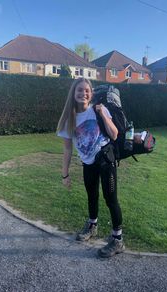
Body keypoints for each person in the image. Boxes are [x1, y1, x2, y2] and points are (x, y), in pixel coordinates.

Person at [57, 78, 125, 258]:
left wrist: (102, 113)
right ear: (73, 93)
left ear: (91, 93)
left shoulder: (98, 110)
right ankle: (92, 226)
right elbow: (67, 149)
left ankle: (118, 240)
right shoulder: (68, 118)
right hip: (88, 164)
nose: (83, 93)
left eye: (86, 90)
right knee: (92, 196)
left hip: (105, 160)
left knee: (111, 199)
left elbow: (115, 134)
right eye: (79, 90)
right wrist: (65, 174)